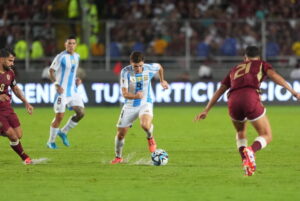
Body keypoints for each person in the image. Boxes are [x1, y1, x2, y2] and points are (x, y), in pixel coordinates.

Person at [194, 46, 300, 176]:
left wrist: (206, 110)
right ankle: (251, 151)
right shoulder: (262, 64)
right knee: (266, 135)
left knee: (240, 131)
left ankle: (246, 163)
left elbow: (221, 89)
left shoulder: (234, 69)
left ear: (245, 58)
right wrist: (293, 92)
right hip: (249, 97)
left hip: (232, 101)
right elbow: (275, 76)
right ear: (259, 58)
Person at [111, 51, 169, 164]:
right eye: (135, 66)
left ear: (143, 63)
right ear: (131, 63)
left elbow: (160, 67)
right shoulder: (125, 72)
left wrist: (162, 80)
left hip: (145, 102)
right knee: (120, 134)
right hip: (130, 105)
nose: (138, 68)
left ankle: (150, 137)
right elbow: (124, 94)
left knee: (145, 125)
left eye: (140, 65)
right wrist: (135, 96)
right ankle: (118, 157)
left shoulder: (150, 68)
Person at [47, 35, 85, 149]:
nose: (71, 45)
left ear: (76, 45)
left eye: (73, 43)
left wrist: (77, 79)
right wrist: (56, 84)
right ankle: (51, 141)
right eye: (69, 43)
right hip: (62, 91)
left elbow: (72, 71)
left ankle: (63, 132)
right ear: (65, 44)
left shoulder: (77, 56)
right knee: (59, 117)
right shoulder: (60, 57)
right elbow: (51, 71)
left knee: (81, 113)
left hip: (73, 90)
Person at [0, 48, 34, 164]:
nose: (12, 64)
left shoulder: (10, 73)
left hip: (7, 108)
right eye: (10, 61)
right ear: (1, 59)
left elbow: (15, 88)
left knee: (18, 135)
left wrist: (26, 102)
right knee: (12, 135)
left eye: (13, 61)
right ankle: (25, 157)